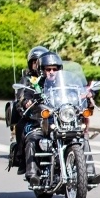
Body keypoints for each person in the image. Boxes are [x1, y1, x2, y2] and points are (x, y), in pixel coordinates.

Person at [22, 52, 64, 185]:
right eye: (48, 69)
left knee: (81, 137)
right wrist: (26, 102)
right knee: (32, 137)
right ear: (42, 70)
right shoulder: (35, 84)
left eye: (54, 69)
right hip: (40, 123)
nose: (52, 72)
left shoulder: (63, 83)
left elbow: (76, 92)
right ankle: (33, 174)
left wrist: (84, 95)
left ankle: (90, 172)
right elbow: (25, 96)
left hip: (61, 122)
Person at [11, 46, 48, 175]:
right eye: (34, 62)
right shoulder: (27, 80)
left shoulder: (50, 78)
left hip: (52, 116)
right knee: (24, 129)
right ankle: (23, 161)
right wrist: (25, 103)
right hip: (33, 116)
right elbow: (21, 96)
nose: (36, 65)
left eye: (39, 61)